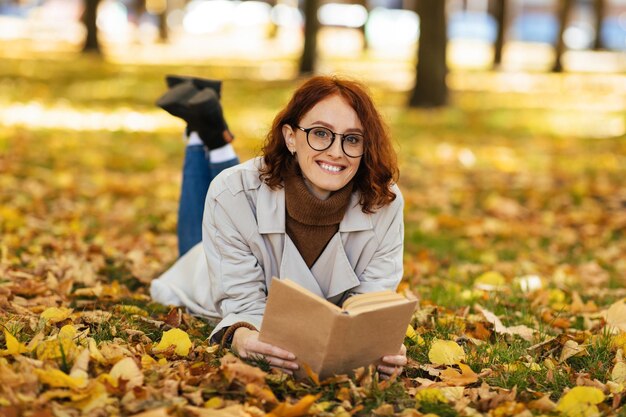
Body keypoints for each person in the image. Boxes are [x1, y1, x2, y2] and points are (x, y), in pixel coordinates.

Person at [151, 75, 407, 377]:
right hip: (205, 272)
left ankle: (207, 133)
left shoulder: (383, 200)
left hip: (241, 206)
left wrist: (375, 341)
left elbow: (372, 300)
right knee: (204, 227)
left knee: (233, 192)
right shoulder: (232, 193)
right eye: (321, 133)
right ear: (290, 137)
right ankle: (202, 135)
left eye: (352, 139)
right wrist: (243, 334)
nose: (337, 152)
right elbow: (242, 302)